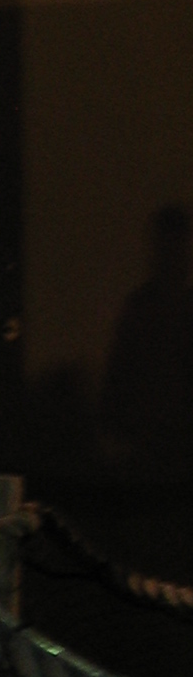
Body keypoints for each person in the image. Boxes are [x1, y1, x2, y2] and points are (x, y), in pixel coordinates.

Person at [99, 203, 193, 485]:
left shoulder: (142, 307)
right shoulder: (141, 308)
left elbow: (118, 373)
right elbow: (120, 372)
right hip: (154, 439)